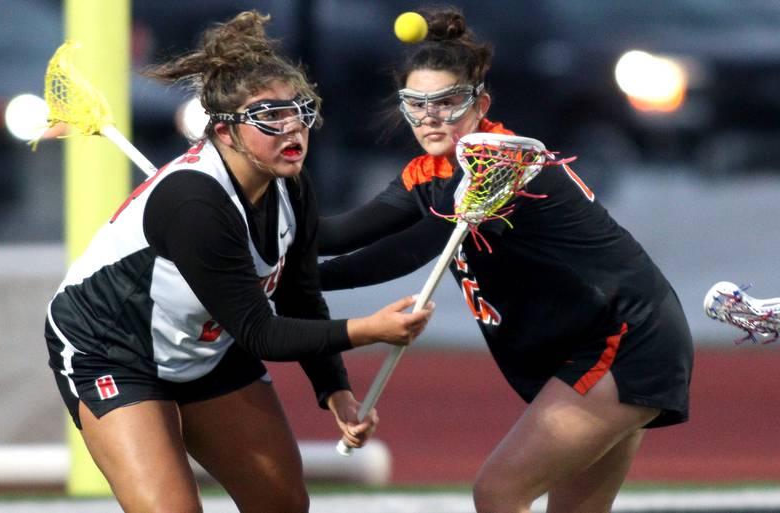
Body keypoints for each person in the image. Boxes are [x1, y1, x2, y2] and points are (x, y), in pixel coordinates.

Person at [44, 11, 433, 513]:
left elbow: (299, 294)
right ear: (224, 132)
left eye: (298, 110)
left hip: (205, 346)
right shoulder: (194, 204)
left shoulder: (290, 184)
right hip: (113, 349)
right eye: (270, 117)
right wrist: (370, 330)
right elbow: (262, 332)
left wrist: (335, 391)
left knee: (282, 503)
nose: (292, 127)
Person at [317, 6, 693, 513]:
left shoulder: (498, 162)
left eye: (447, 102)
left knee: (498, 492)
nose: (431, 117)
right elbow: (339, 234)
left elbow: (411, 249)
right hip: (589, 339)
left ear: (479, 104)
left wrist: (293, 282)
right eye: (417, 104)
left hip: (621, 338)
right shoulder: (430, 172)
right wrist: (248, 213)